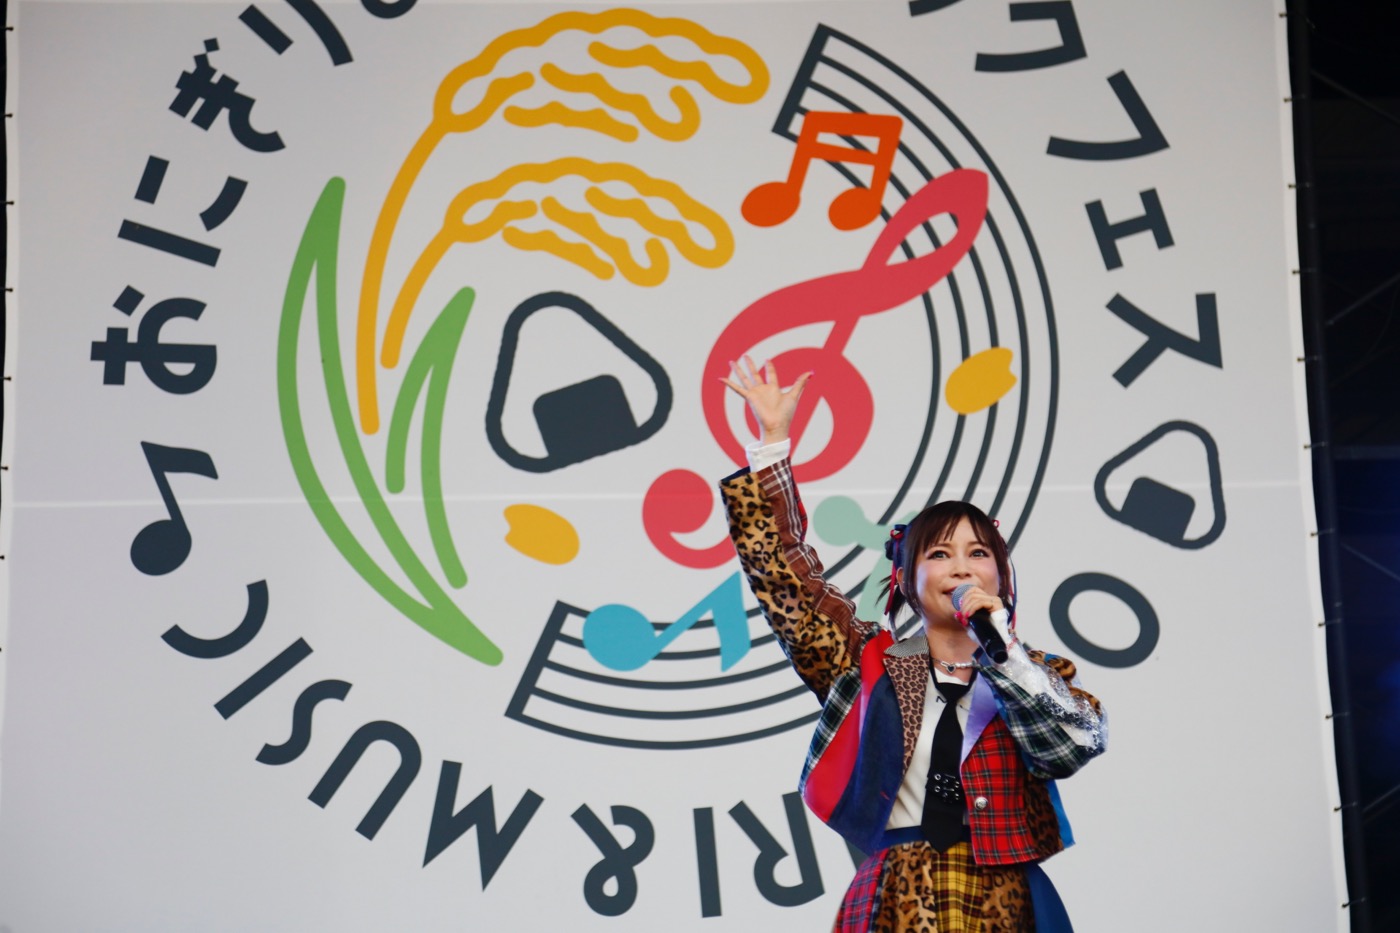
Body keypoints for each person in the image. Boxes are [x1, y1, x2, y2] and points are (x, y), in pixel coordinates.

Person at [719, 357, 1106, 932]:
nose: (962, 568)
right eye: (940, 554)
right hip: (895, 890)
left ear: (1001, 576)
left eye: (979, 554)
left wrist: (1005, 654)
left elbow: (1072, 746)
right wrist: (772, 446)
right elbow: (787, 584)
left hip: (1006, 895)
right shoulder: (867, 663)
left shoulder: (1037, 671)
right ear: (905, 579)